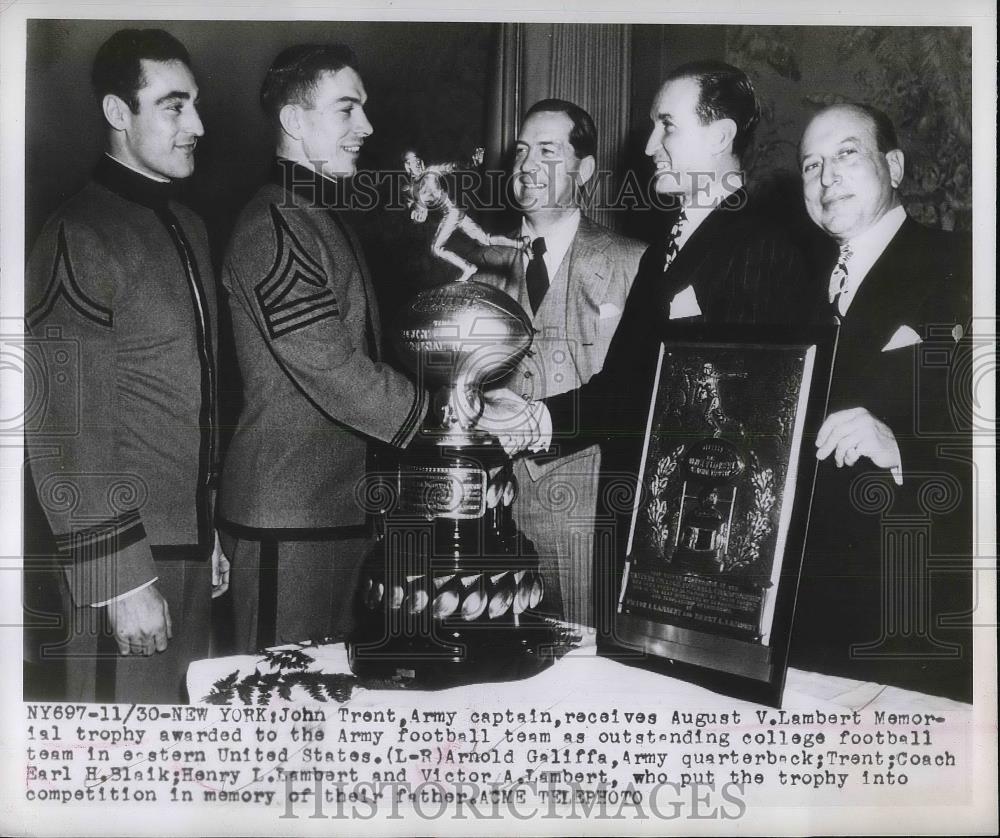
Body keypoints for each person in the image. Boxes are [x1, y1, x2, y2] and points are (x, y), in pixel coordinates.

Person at [481, 61, 810, 634]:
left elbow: (756, 423)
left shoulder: (762, 242)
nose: (650, 144)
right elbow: (628, 389)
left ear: (721, 135)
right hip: (651, 533)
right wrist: (536, 418)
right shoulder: (666, 249)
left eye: (667, 126)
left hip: (707, 550)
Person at [24, 29, 225, 703]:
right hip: (123, 565)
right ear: (118, 113)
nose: (197, 124)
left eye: (194, 103)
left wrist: (210, 531)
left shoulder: (189, 225)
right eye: (174, 106)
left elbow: (187, 400)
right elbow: (62, 427)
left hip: (191, 551)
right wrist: (121, 578)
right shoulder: (76, 233)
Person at [217, 44, 429, 652]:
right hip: (288, 519)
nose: (366, 127)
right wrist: (441, 418)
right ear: (294, 122)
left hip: (330, 512)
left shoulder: (311, 213)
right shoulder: (276, 223)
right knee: (281, 716)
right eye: (346, 110)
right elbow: (330, 366)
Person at [790, 103, 972, 700]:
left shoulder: (965, 265)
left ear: (893, 165)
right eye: (810, 165)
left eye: (845, 154)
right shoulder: (791, 291)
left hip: (913, 616)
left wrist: (900, 451)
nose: (825, 177)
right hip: (804, 618)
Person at [476, 99, 644, 627]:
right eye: (521, 150)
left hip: (591, 509)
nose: (525, 165)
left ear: (584, 169)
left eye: (547, 150)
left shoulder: (632, 261)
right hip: (497, 509)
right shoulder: (479, 265)